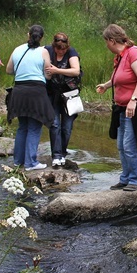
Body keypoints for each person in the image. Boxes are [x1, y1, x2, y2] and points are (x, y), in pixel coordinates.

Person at [96, 24, 137, 191]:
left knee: (130, 145)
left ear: (111, 40)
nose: (106, 45)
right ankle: (125, 178)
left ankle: (136, 181)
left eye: (106, 42)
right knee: (121, 145)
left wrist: (134, 99)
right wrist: (106, 85)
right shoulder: (120, 56)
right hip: (122, 108)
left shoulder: (133, 53)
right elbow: (121, 77)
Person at [6, 24, 54, 170]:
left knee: (22, 127)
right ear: (42, 37)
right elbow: (48, 74)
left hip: (19, 91)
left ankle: (17, 161)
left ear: (28, 35)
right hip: (36, 92)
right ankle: (31, 163)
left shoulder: (17, 49)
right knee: (34, 126)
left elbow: (9, 70)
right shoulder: (43, 51)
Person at [44, 32, 81, 168]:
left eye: (63, 49)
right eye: (58, 48)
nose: (61, 51)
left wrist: (57, 70)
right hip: (51, 94)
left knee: (67, 127)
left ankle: (63, 153)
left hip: (69, 95)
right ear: (54, 46)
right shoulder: (47, 50)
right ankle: (56, 155)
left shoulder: (71, 52)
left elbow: (76, 71)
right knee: (54, 125)